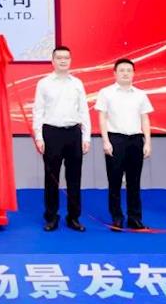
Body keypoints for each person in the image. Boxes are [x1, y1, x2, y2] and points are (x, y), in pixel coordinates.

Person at [32, 46, 91, 232]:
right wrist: (39, 136)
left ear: (70, 60)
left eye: (66, 57)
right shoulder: (44, 83)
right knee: (51, 178)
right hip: (51, 133)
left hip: (73, 133)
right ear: (53, 61)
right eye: (59, 58)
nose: (63, 60)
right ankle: (51, 217)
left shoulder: (77, 83)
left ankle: (73, 217)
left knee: (74, 177)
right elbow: (38, 111)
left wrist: (86, 136)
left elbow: (84, 111)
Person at [95, 58, 153, 230]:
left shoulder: (140, 94)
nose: (125, 73)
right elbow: (102, 118)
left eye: (129, 70)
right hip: (115, 140)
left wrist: (148, 142)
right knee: (114, 181)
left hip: (136, 140)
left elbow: (145, 118)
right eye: (122, 70)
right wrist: (106, 141)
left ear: (134, 73)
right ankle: (117, 217)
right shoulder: (106, 93)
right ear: (115, 73)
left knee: (134, 181)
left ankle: (134, 218)